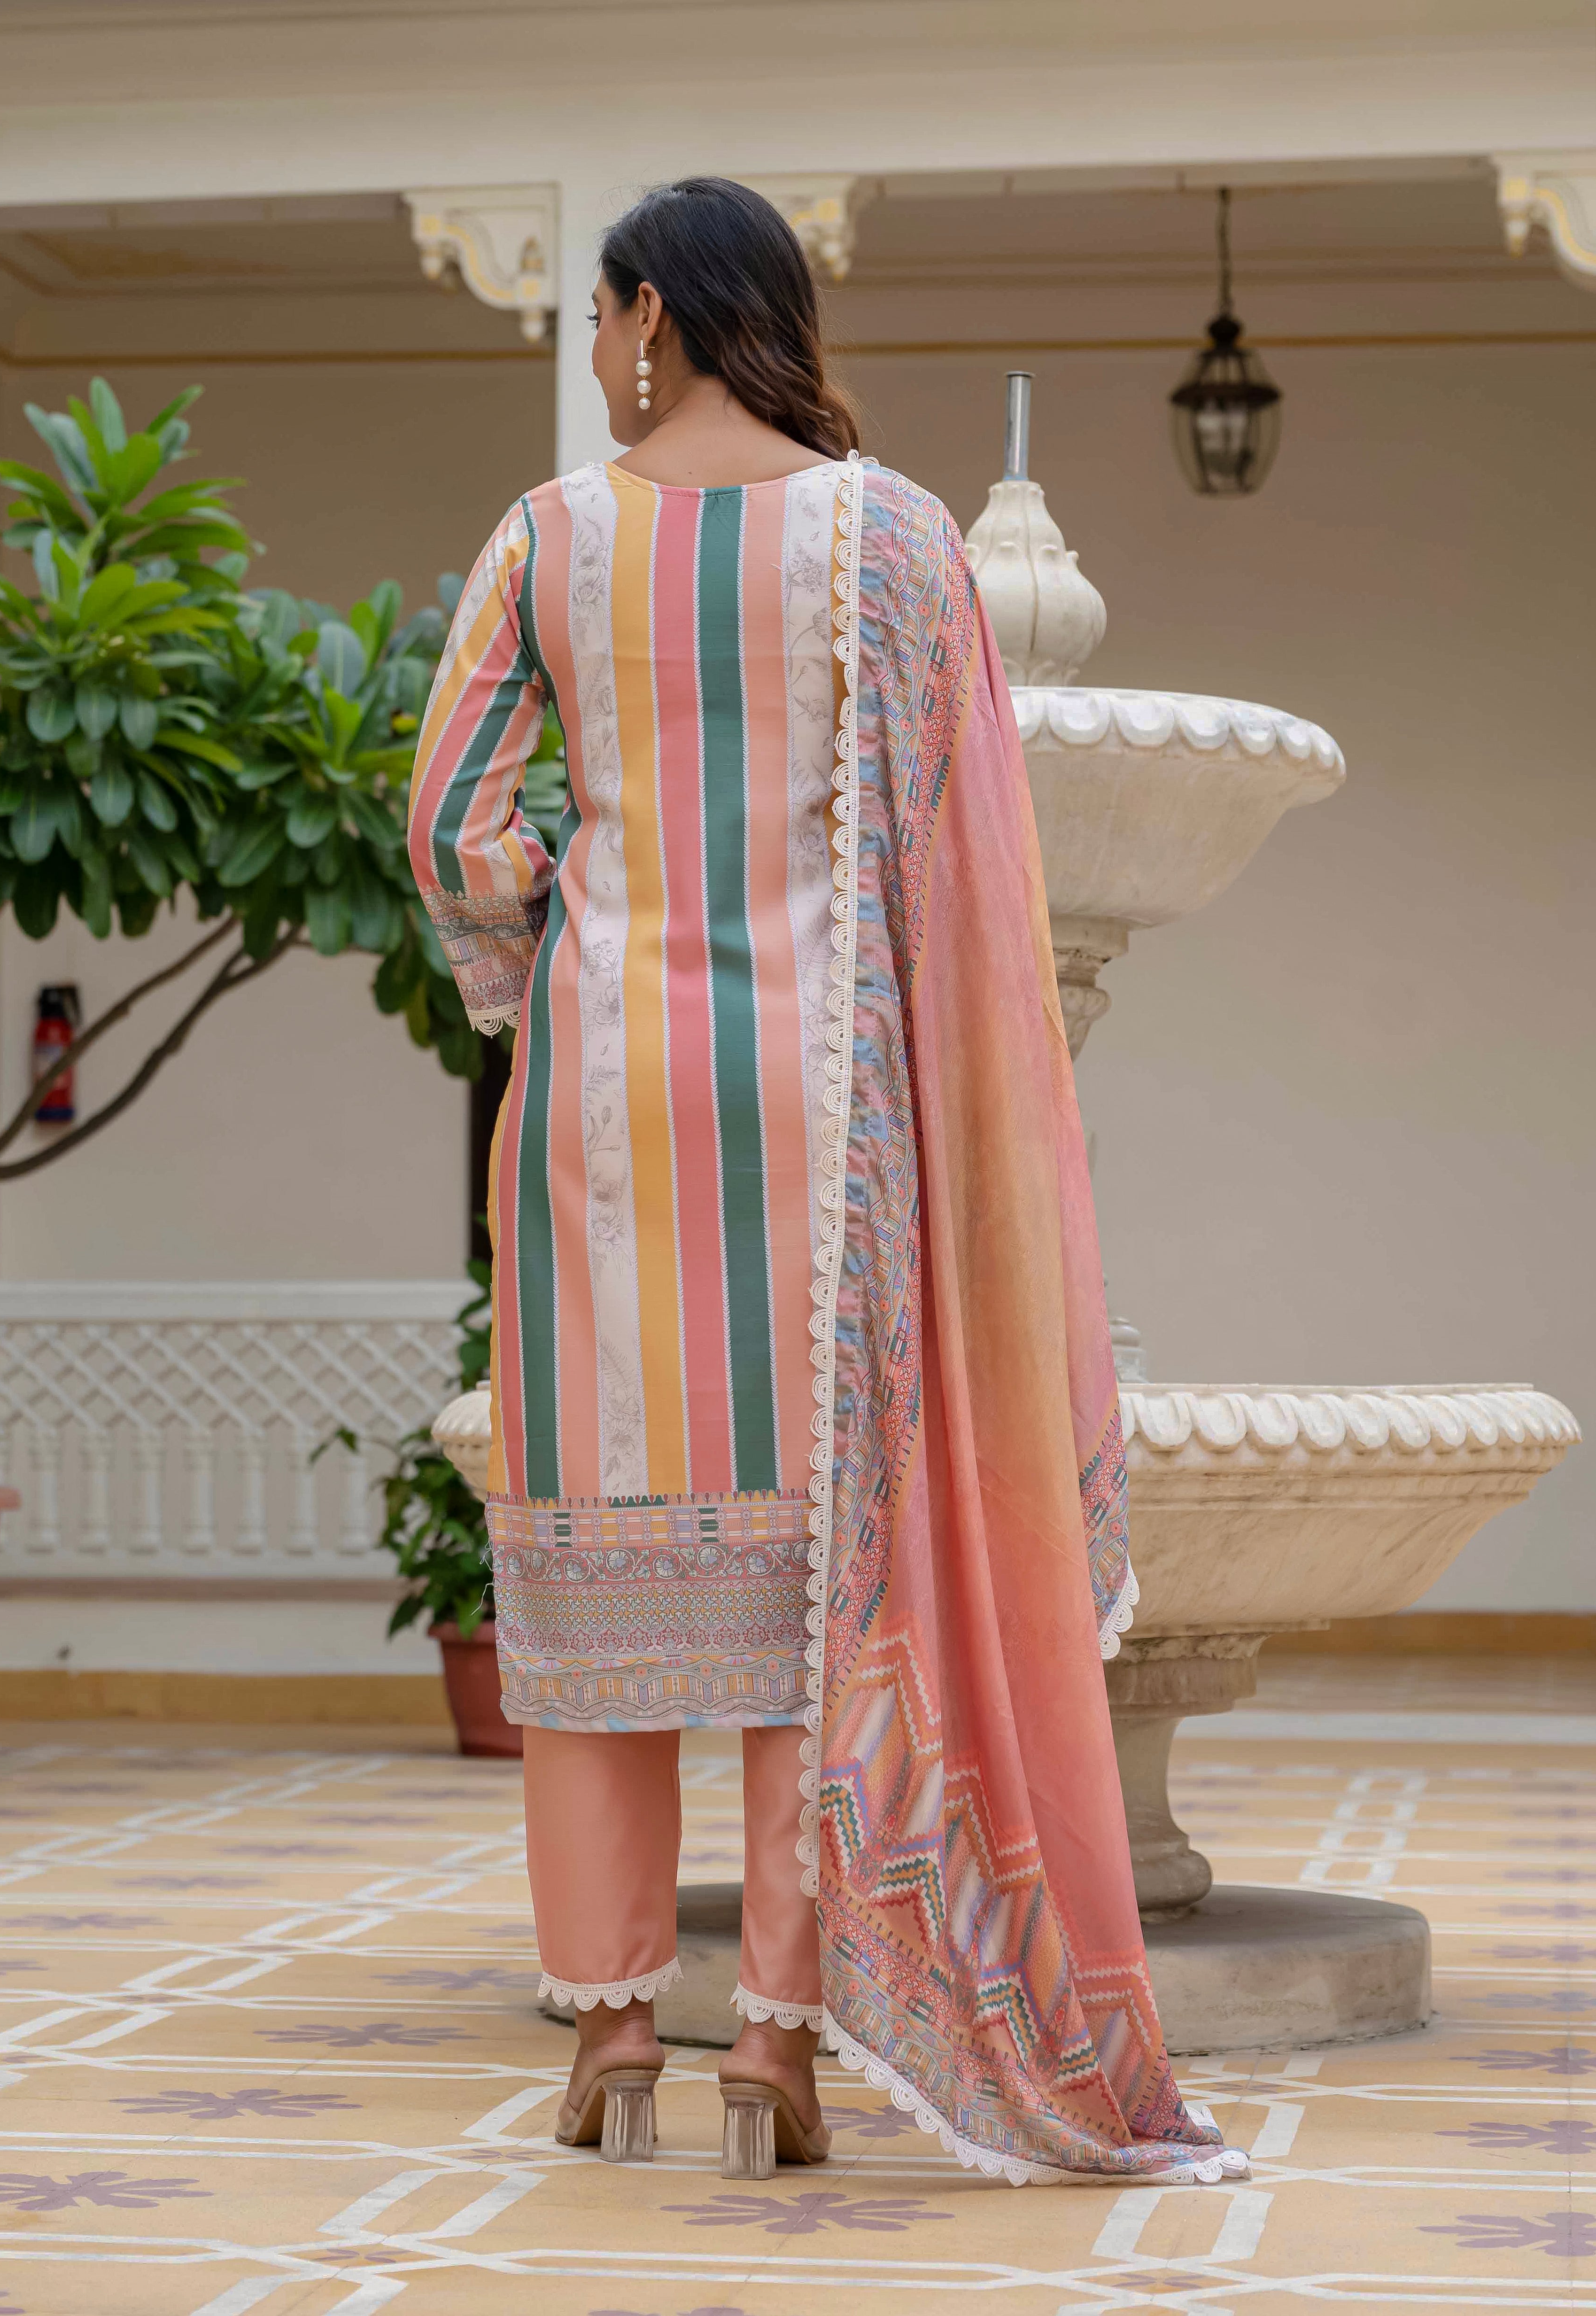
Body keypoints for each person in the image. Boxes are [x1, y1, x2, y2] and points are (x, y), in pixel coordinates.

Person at [407, 176, 1246, 2188]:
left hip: (607, 1125)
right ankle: (775, 2044)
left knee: (596, 1562)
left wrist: (545, 932)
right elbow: (966, 854)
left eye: (612, 323)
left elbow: (450, 823)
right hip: (831, 1129)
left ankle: (611, 2022)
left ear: (644, 318)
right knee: (820, 1585)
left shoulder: (548, 537)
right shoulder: (893, 540)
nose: (607, 356)